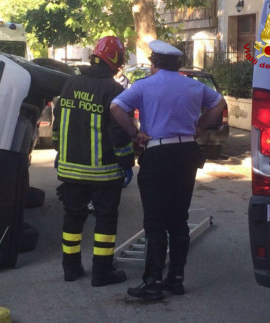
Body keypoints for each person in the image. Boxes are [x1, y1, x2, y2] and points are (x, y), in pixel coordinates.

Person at [110, 39, 227, 300]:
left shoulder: (144, 86)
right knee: (178, 219)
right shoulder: (193, 86)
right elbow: (219, 103)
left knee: (155, 222)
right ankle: (176, 279)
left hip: (158, 153)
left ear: (154, 64)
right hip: (186, 153)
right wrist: (200, 125)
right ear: (178, 65)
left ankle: (152, 282)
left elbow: (116, 107)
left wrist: (134, 133)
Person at [52, 36, 135, 287]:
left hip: (69, 169)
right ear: (115, 61)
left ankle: (70, 268)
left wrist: (62, 154)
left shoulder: (69, 84)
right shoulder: (113, 90)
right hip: (104, 172)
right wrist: (126, 162)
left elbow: (57, 129)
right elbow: (119, 134)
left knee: (72, 218)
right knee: (105, 220)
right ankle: (101, 272)